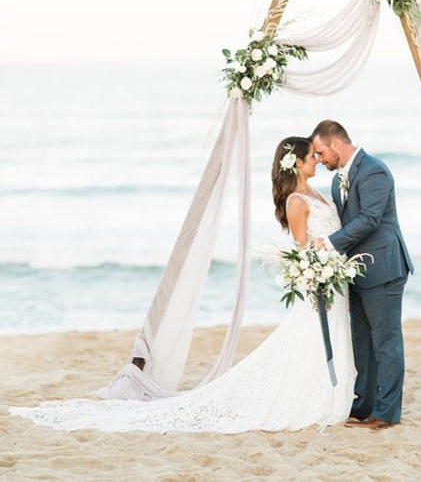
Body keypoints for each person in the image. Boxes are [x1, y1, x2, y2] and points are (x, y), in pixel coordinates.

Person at [10, 137, 356, 434]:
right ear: (296, 162)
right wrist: (320, 273)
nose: (317, 160)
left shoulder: (317, 193)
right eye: (312, 156)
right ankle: (317, 395)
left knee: (330, 338)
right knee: (311, 341)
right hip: (322, 283)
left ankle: (332, 390)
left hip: (336, 280)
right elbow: (303, 251)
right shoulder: (296, 202)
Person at [311, 119, 414, 430]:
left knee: (386, 343)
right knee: (362, 345)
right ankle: (363, 407)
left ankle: (387, 413)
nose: (318, 159)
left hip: (382, 269)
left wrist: (328, 244)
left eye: (319, 152)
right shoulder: (336, 181)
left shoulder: (374, 171)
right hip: (355, 274)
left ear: (336, 144)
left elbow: (369, 220)